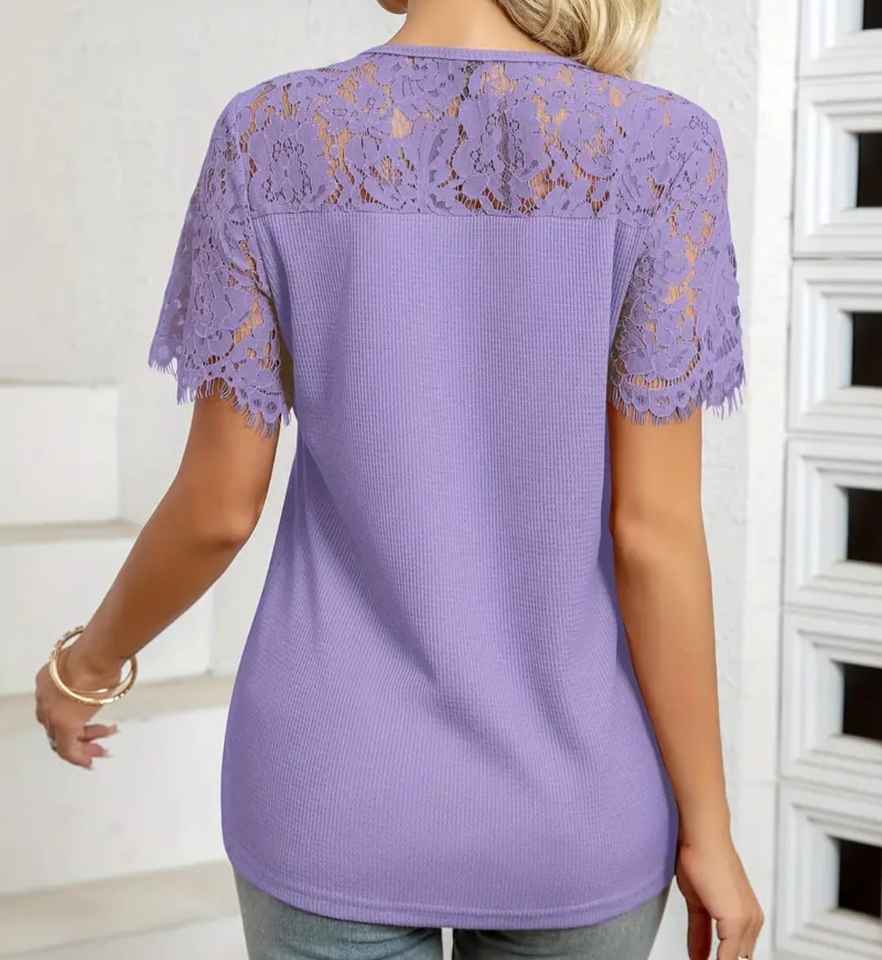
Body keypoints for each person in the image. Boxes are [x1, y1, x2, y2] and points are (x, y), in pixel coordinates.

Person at [33, 0, 765, 957]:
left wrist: (86, 666)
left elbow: (218, 507)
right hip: (577, 810)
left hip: (330, 789)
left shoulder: (270, 136)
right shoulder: (664, 148)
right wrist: (709, 827)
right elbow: (654, 534)